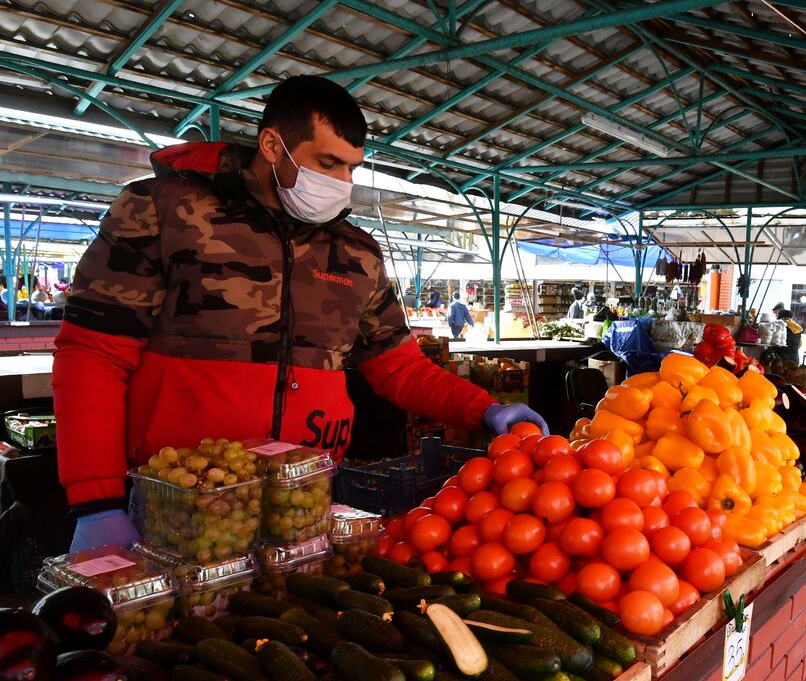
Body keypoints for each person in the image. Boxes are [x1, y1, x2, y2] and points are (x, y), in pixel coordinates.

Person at [54, 75, 546, 552]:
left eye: (352, 167)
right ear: (272, 145)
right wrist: (95, 498)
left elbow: (399, 366)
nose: (342, 183)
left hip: (305, 502)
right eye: (327, 163)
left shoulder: (357, 254)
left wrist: (483, 408)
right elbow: (93, 354)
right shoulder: (165, 211)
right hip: (181, 500)